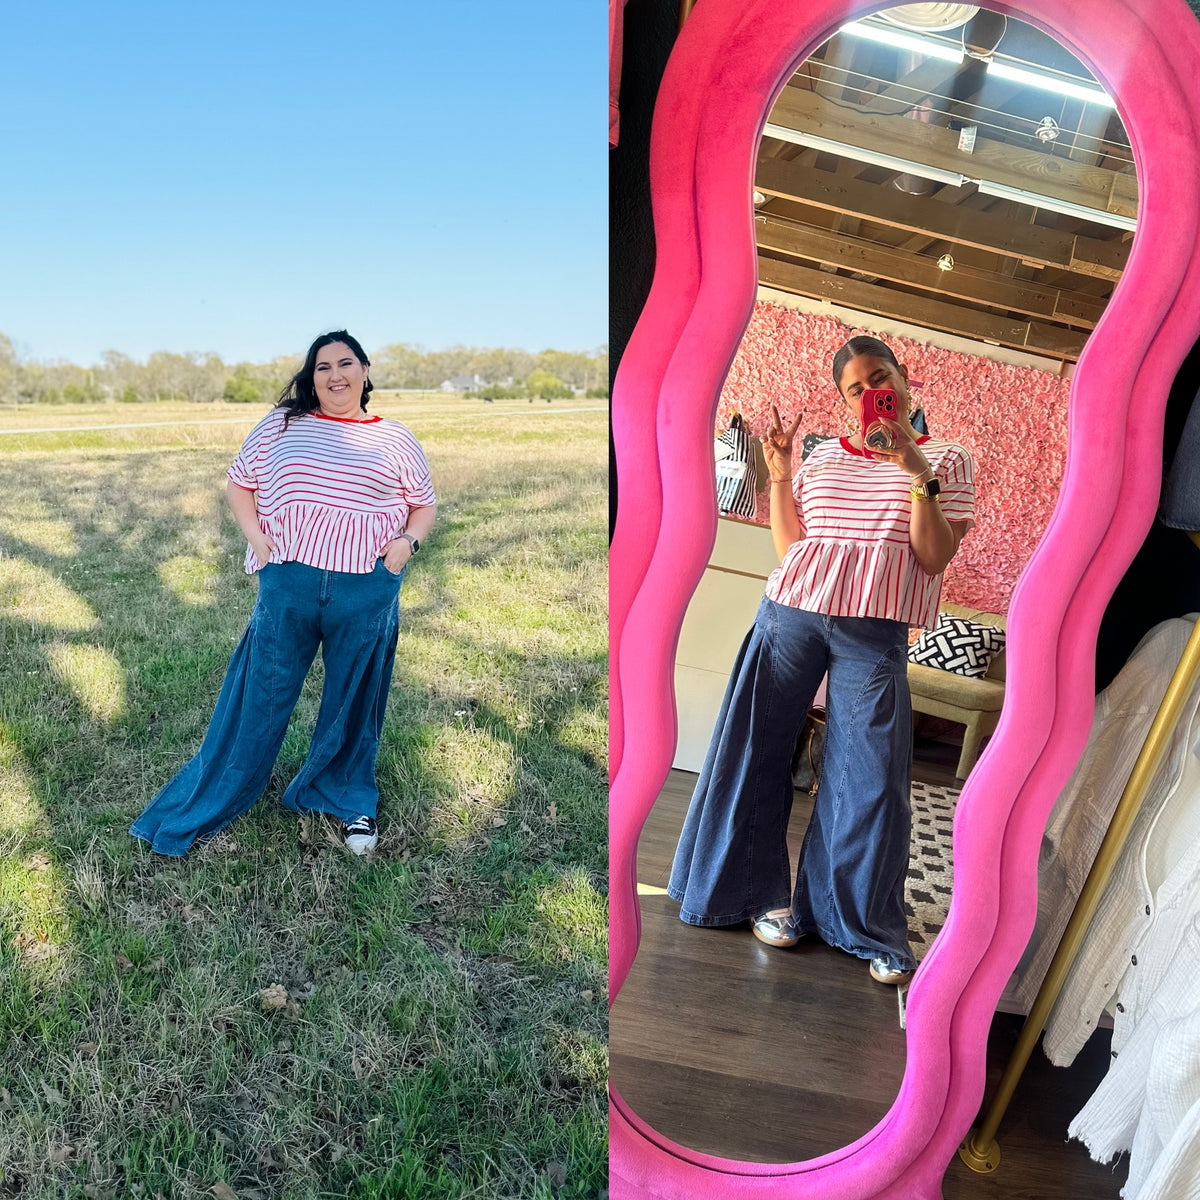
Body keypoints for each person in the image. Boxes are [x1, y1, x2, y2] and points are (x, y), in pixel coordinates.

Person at [667, 335, 975, 983]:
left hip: (875, 632)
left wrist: (917, 472)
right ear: (844, 400)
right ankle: (746, 896)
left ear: (904, 379)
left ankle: (853, 922)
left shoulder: (946, 458)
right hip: (792, 613)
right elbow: (793, 548)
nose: (869, 394)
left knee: (869, 779)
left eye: (878, 379)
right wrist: (780, 474)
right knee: (753, 752)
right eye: (854, 389)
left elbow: (933, 556)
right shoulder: (825, 457)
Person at [130, 330, 437, 857]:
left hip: (365, 587)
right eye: (322, 367)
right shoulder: (283, 424)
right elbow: (240, 482)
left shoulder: (397, 438)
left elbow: (424, 505)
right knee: (259, 695)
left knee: (354, 699)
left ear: (365, 372)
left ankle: (345, 800)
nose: (335, 375)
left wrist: (405, 545)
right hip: (288, 581)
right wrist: (258, 541)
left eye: (345, 364)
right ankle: (219, 793)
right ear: (310, 377)